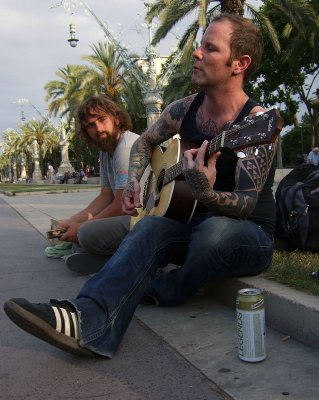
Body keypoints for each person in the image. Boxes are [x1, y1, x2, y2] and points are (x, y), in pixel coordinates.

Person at [4, 14, 280, 358]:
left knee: (216, 232)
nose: (195, 53)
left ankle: (164, 289)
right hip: (193, 227)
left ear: (239, 63)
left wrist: (205, 192)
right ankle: (86, 321)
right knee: (150, 226)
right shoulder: (183, 109)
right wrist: (135, 178)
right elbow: (144, 142)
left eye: (210, 48)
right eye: (199, 45)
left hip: (248, 235)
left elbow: (247, 203)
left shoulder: (258, 123)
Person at [52, 95, 139, 274]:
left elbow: (122, 205)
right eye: (90, 125)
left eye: (101, 119)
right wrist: (71, 221)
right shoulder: (106, 152)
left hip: (143, 218)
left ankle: (120, 261)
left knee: (85, 234)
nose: (98, 129)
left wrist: (82, 227)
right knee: (80, 232)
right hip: (129, 216)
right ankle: (102, 258)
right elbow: (105, 197)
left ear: (116, 118)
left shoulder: (125, 147)